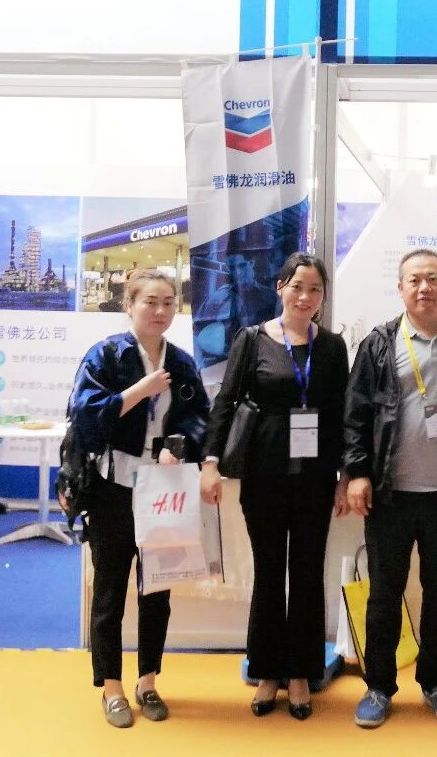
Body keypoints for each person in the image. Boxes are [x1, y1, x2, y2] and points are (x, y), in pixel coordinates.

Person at [343, 248, 437, 728]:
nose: (424, 287)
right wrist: (357, 472)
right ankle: (378, 687)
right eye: (414, 280)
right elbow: (355, 414)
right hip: (389, 495)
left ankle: (436, 682)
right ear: (400, 288)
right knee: (383, 596)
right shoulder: (378, 343)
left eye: (432, 278)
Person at [201, 253, 350, 721]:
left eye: (315, 289)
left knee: (307, 573)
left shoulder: (333, 347)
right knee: (268, 573)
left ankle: (301, 673)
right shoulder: (252, 340)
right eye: (297, 286)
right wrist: (210, 462)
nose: (305, 297)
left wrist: (346, 475)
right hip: (263, 476)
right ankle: (267, 671)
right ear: (280, 287)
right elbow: (225, 402)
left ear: (323, 297)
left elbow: (342, 415)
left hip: (315, 480)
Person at [69, 268, 210, 729]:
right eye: (150, 301)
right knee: (109, 590)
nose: (160, 311)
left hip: (164, 490)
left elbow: (200, 419)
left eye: (168, 302)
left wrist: (178, 447)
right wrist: (137, 392)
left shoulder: (181, 362)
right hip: (113, 488)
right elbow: (84, 417)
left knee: (157, 590)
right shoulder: (106, 355)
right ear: (129, 305)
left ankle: (147, 681)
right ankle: (111, 687)